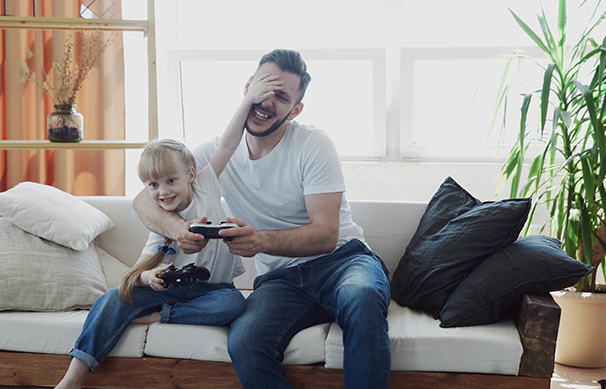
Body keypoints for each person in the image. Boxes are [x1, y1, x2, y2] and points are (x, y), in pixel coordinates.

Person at [132, 49, 391, 389]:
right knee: (245, 342)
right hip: (282, 281)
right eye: (262, 88)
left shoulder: (313, 144)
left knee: (362, 298)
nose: (267, 102)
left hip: (343, 262)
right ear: (247, 88)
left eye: (281, 96)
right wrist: (178, 228)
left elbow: (326, 235)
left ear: (295, 109)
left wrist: (260, 241)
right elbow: (141, 201)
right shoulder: (215, 152)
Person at [55, 72, 285, 389]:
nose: (163, 192)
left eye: (171, 181)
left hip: (213, 290)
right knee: (111, 298)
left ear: (190, 175)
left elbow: (230, 142)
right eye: (153, 185)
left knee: (233, 306)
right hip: (173, 290)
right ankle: (72, 378)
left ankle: (157, 315)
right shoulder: (162, 221)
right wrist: (150, 277)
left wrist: (248, 99)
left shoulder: (205, 184)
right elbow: (138, 271)